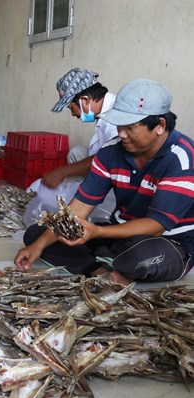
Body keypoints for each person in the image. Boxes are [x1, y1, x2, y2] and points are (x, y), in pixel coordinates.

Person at [15, 79, 194, 285]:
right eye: (119, 125)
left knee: (138, 259)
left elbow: (157, 225)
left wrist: (97, 232)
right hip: (119, 232)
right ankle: (102, 271)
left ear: (159, 125)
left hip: (169, 241)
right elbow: (79, 208)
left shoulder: (181, 158)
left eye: (130, 127)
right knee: (36, 235)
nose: (121, 134)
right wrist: (38, 246)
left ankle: (107, 260)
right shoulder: (111, 151)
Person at [43, 68, 118, 188]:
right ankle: (78, 193)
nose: (73, 114)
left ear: (85, 100)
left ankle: (94, 199)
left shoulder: (115, 114)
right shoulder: (102, 112)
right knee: (76, 153)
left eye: (72, 108)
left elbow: (108, 156)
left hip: (120, 170)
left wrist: (63, 171)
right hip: (107, 161)